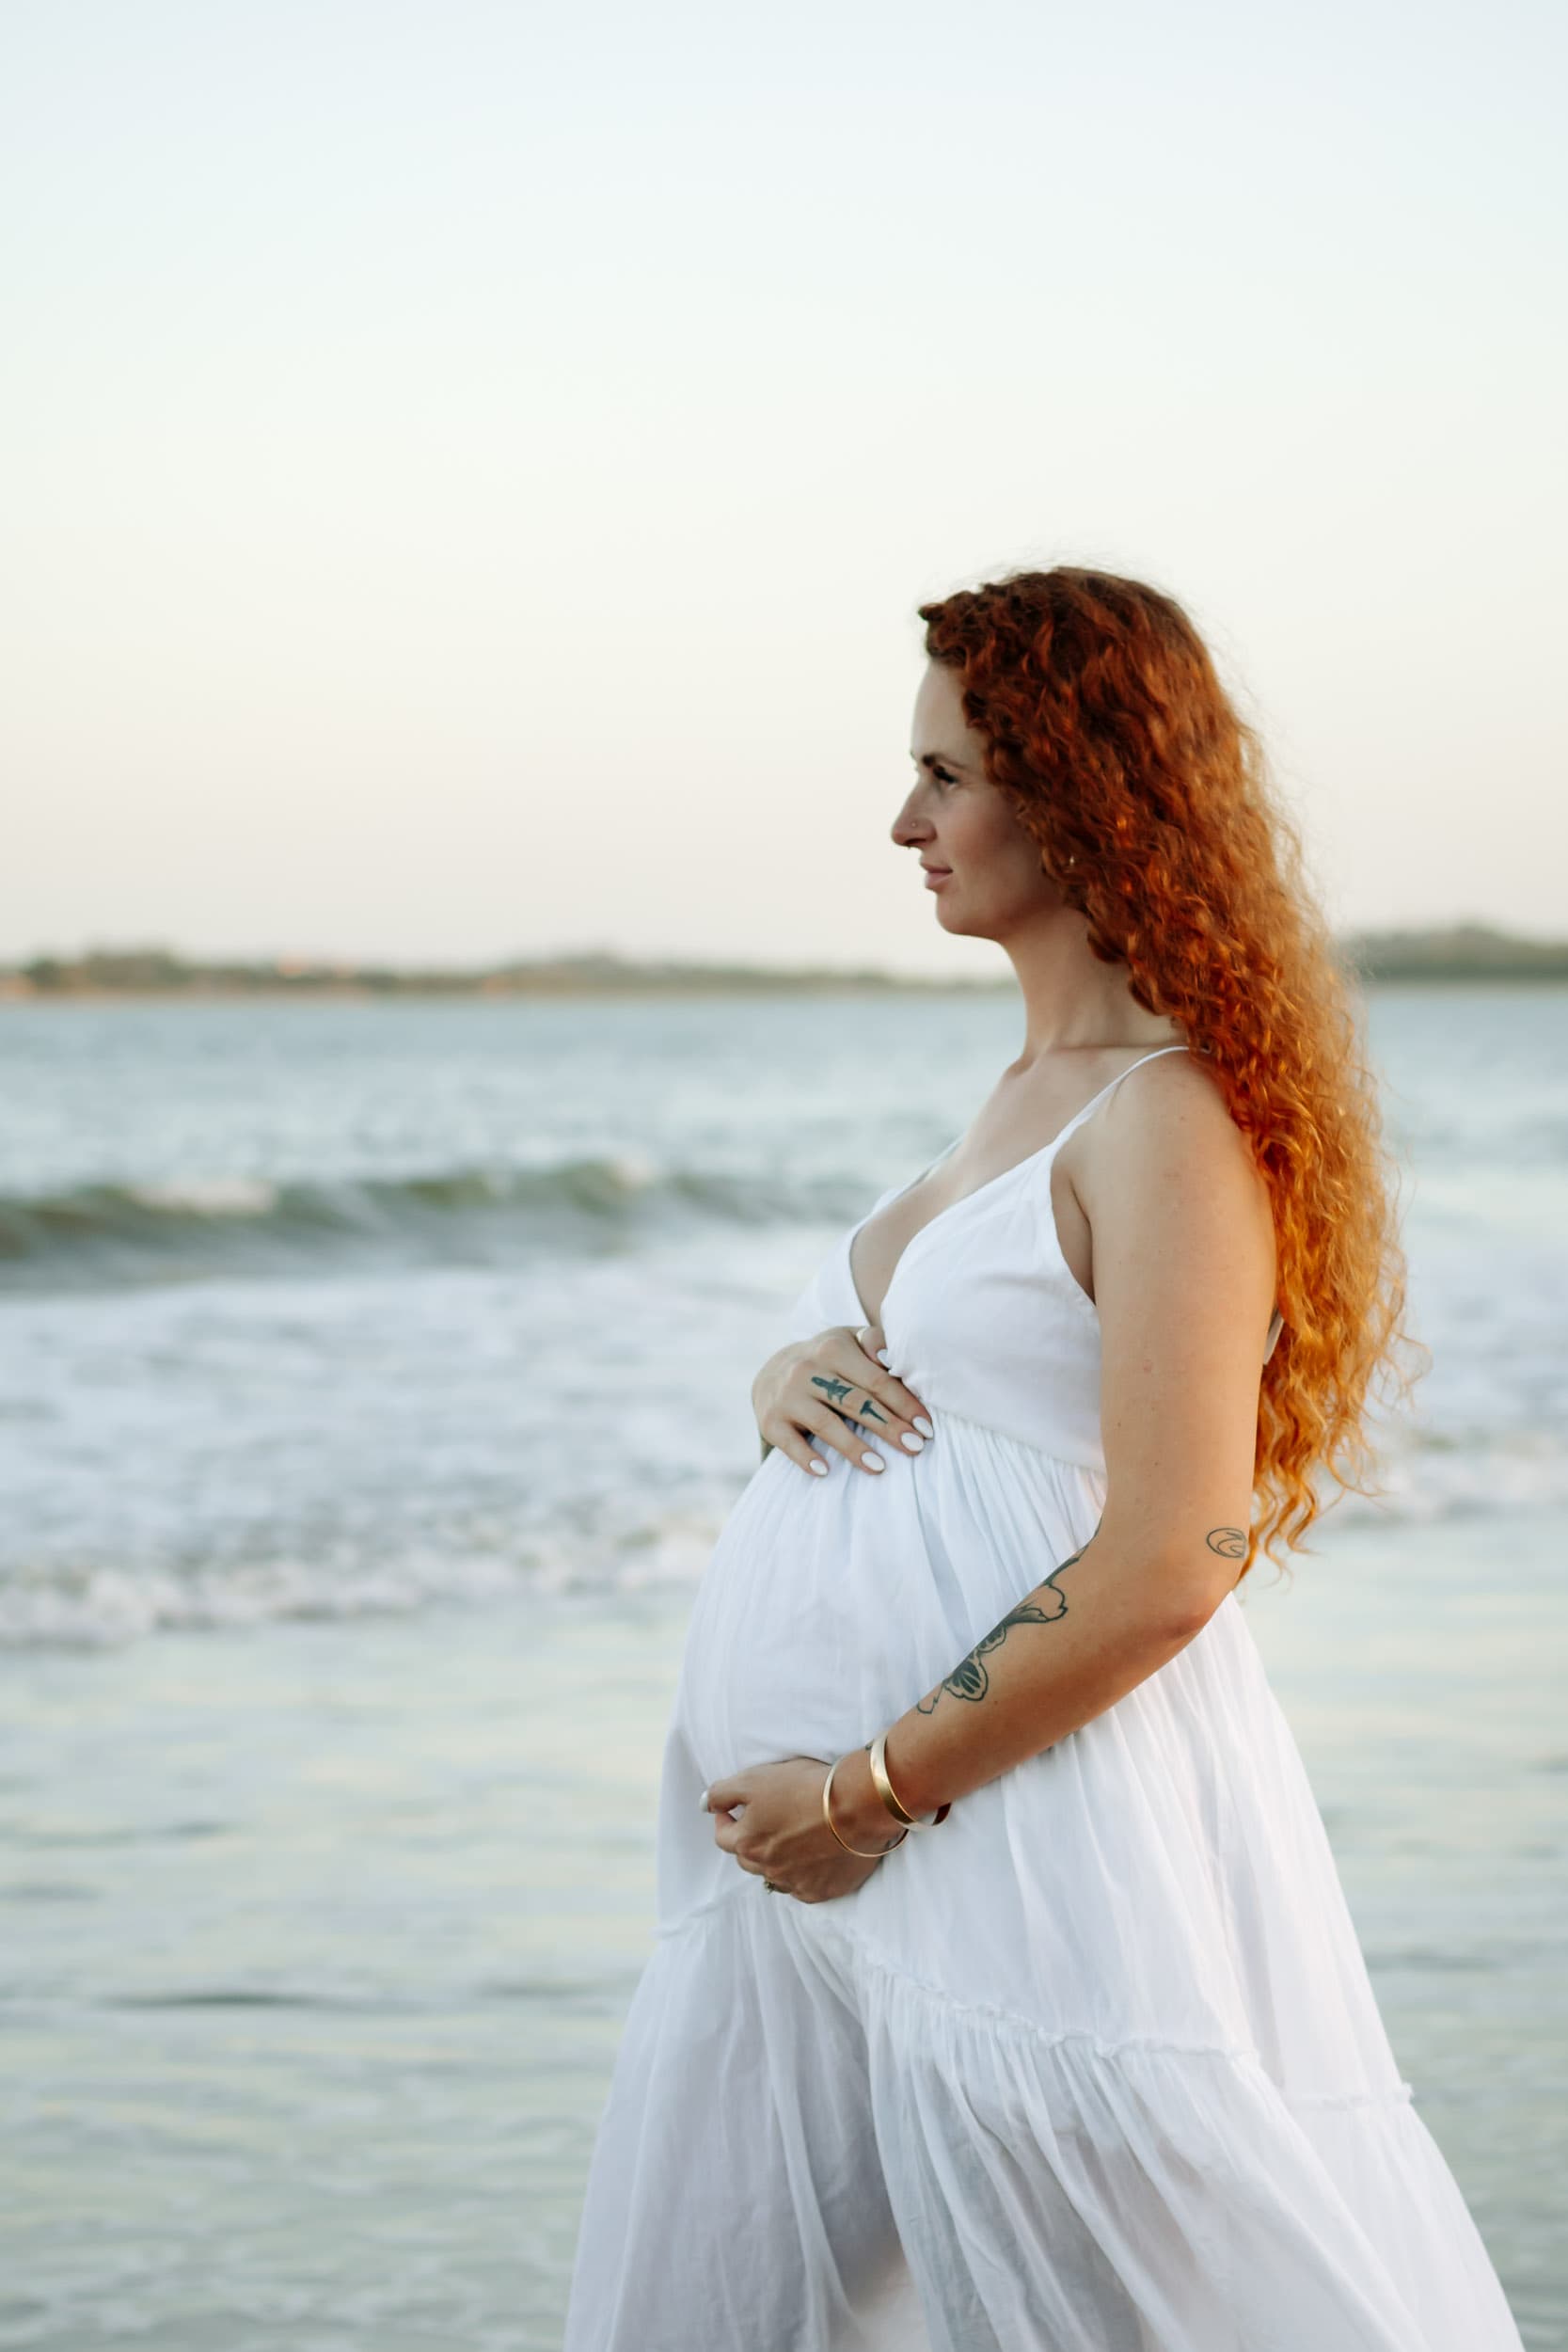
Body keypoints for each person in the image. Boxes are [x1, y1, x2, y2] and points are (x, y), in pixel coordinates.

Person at [561, 567, 1524, 2350]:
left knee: (1165, 2297)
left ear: (1079, 787)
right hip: (832, 1873)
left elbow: (1176, 1554)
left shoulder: (1165, 1116)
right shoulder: (1018, 1093)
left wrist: (862, 1795)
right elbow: (974, 1378)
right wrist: (790, 1365)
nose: (902, 819)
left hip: (999, 1831)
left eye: (946, 774)